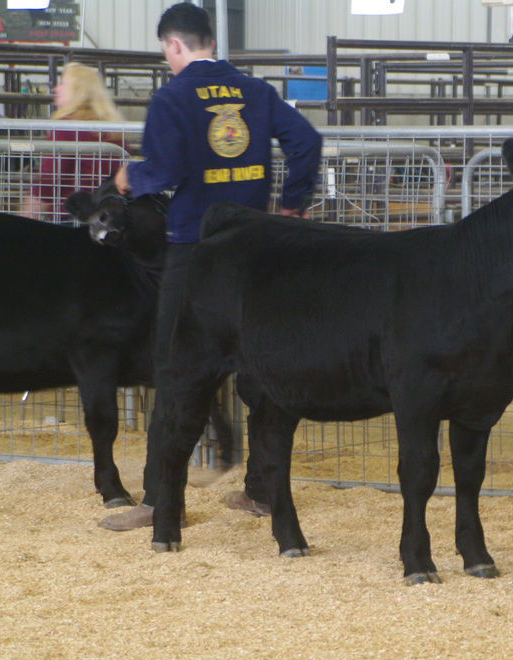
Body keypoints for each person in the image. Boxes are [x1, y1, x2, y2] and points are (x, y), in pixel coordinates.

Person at [99, 2, 322, 531]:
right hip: (255, 248)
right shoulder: (255, 91)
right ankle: (263, 491)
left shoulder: (173, 97)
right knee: (260, 368)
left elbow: (166, 169)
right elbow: (306, 141)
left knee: (176, 368)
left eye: (165, 51)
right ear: (209, 41)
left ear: (174, 44)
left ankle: (161, 500)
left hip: (195, 250)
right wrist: (292, 206)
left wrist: (131, 177)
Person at [21, 62, 126, 221]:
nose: (55, 88)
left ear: (76, 90)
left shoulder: (66, 126)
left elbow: (49, 179)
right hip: (108, 217)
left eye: (62, 83)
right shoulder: (113, 129)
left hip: (70, 215)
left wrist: (25, 217)